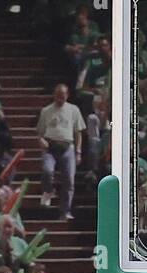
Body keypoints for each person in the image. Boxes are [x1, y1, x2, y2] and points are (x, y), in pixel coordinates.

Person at [36, 83, 85, 219]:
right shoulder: (46, 111)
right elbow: (39, 133)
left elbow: (78, 132)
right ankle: (48, 190)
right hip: (50, 146)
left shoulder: (74, 110)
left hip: (67, 146)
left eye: (62, 97)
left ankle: (65, 210)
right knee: (47, 170)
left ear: (67, 96)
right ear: (54, 95)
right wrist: (41, 141)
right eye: (57, 96)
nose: (60, 99)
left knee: (69, 179)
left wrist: (79, 151)